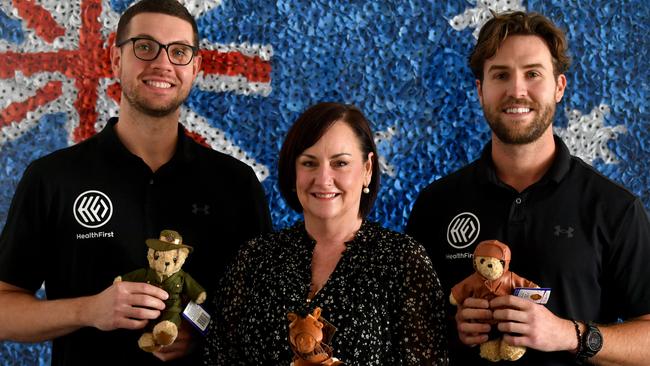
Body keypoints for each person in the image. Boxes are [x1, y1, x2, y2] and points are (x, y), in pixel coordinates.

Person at [0, 0, 272, 364]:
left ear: (195, 68)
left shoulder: (235, 184)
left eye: (178, 52)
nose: (162, 63)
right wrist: (89, 311)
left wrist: (203, 332)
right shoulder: (53, 178)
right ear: (116, 59)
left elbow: (264, 313)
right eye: (145, 47)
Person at [407, 10, 650, 366]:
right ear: (481, 90)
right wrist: (453, 329)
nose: (516, 90)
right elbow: (408, 331)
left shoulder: (614, 208)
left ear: (559, 87)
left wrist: (570, 335)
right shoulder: (436, 204)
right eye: (500, 75)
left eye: (532, 74)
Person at [203, 102, 449, 365]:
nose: (323, 178)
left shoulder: (403, 260)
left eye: (340, 163)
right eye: (309, 163)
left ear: (367, 169)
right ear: (293, 171)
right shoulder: (254, 257)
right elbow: (217, 356)